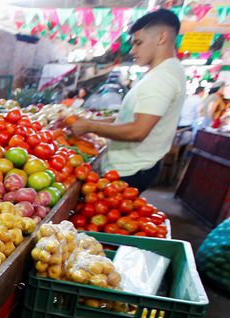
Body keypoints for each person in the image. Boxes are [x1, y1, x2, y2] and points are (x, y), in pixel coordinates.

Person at [69, 9, 185, 194]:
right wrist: (89, 122)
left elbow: (137, 131)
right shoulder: (166, 71)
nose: (133, 51)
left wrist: (90, 127)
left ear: (161, 37)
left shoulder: (162, 78)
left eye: (138, 43)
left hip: (129, 171)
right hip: (132, 166)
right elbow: (127, 118)